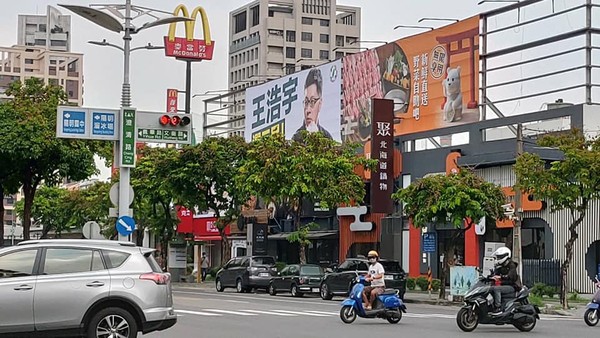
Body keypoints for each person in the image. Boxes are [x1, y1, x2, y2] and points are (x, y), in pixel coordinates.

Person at [292, 68, 333, 141]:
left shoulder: (326, 137)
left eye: (312, 101)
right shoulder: (296, 137)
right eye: (306, 102)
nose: (308, 110)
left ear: (320, 104)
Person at [489, 246, 521, 315]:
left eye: (500, 257)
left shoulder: (511, 265)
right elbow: (494, 274)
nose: (498, 258)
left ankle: (498, 308)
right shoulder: (500, 265)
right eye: (498, 257)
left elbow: (511, 277)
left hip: (512, 286)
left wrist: (500, 277)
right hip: (504, 285)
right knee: (490, 288)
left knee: (496, 289)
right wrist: (490, 277)